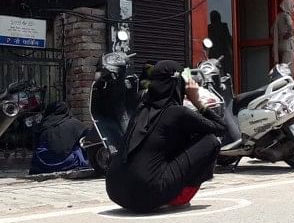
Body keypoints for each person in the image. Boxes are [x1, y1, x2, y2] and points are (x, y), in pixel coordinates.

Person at [105, 60, 226, 213]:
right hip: (148, 195)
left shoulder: (141, 109)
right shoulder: (176, 112)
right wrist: (196, 101)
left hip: (116, 192)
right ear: (177, 84)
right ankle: (177, 199)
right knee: (211, 141)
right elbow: (221, 128)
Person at [29, 101, 90, 175]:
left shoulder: (42, 125)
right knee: (79, 145)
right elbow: (88, 140)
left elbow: (35, 145)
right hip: (67, 162)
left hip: (42, 163)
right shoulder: (75, 123)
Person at [272, 0, 294, 75]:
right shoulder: (287, 16)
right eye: (292, 6)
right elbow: (290, 25)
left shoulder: (278, 16)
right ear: (288, 6)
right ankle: (287, 85)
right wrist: (289, 33)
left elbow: (272, 30)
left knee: (284, 67)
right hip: (288, 45)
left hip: (281, 44)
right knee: (288, 69)